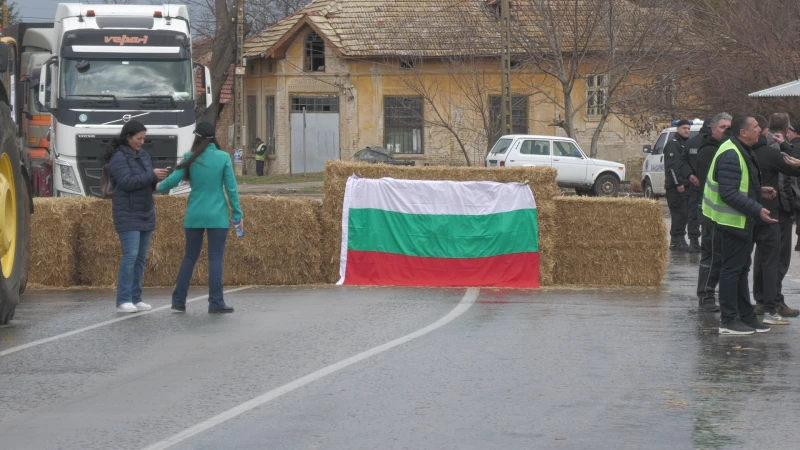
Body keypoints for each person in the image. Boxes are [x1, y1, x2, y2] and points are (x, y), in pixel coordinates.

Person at [157, 121, 243, 314]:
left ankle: (178, 301)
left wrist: (158, 187)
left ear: (196, 137)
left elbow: (173, 180)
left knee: (189, 257)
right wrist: (238, 214)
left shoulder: (190, 158)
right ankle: (216, 302)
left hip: (195, 213)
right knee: (215, 258)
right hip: (217, 215)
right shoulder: (223, 158)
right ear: (214, 137)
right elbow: (231, 189)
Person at [703, 114, 777, 335]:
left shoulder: (739, 149)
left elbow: (737, 184)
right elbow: (728, 193)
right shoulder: (731, 153)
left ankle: (746, 316)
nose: (760, 130)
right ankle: (728, 320)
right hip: (730, 221)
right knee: (732, 270)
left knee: (741, 269)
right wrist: (757, 208)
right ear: (743, 132)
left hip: (740, 220)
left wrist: (758, 191)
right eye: (755, 127)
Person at [106, 120, 169, 313]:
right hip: (127, 212)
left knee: (141, 258)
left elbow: (145, 182)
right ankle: (123, 300)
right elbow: (126, 182)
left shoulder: (143, 156)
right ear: (128, 137)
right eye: (139, 138)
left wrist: (158, 180)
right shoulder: (118, 158)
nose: (142, 142)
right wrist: (151, 175)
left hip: (145, 212)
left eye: (144, 139)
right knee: (130, 256)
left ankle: (136, 297)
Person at [750, 113, 800, 324]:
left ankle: (762, 299)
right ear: (786, 129)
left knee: (762, 258)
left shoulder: (754, 149)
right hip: (777, 210)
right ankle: (773, 301)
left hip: (760, 208)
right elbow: (784, 182)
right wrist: (790, 209)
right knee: (778, 259)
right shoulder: (776, 149)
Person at [695, 112, 732, 313]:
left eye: (729, 127)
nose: (726, 131)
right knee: (711, 255)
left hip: (723, 212)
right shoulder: (709, 151)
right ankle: (706, 295)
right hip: (710, 212)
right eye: (723, 127)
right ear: (713, 129)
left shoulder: (725, 149)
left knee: (722, 256)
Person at [664, 119, 695, 251]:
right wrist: (679, 183)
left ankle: (678, 240)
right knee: (679, 213)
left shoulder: (686, 144)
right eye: (684, 128)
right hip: (675, 186)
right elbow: (672, 167)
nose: (686, 130)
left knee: (684, 214)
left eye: (688, 128)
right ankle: (677, 240)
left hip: (685, 184)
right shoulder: (673, 144)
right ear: (678, 129)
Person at [682, 120, 711, 253]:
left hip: (695, 183)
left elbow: (682, 162)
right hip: (710, 184)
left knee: (693, 211)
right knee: (708, 212)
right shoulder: (714, 143)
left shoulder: (691, 142)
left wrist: (689, 175)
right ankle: (707, 239)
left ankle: (694, 241)